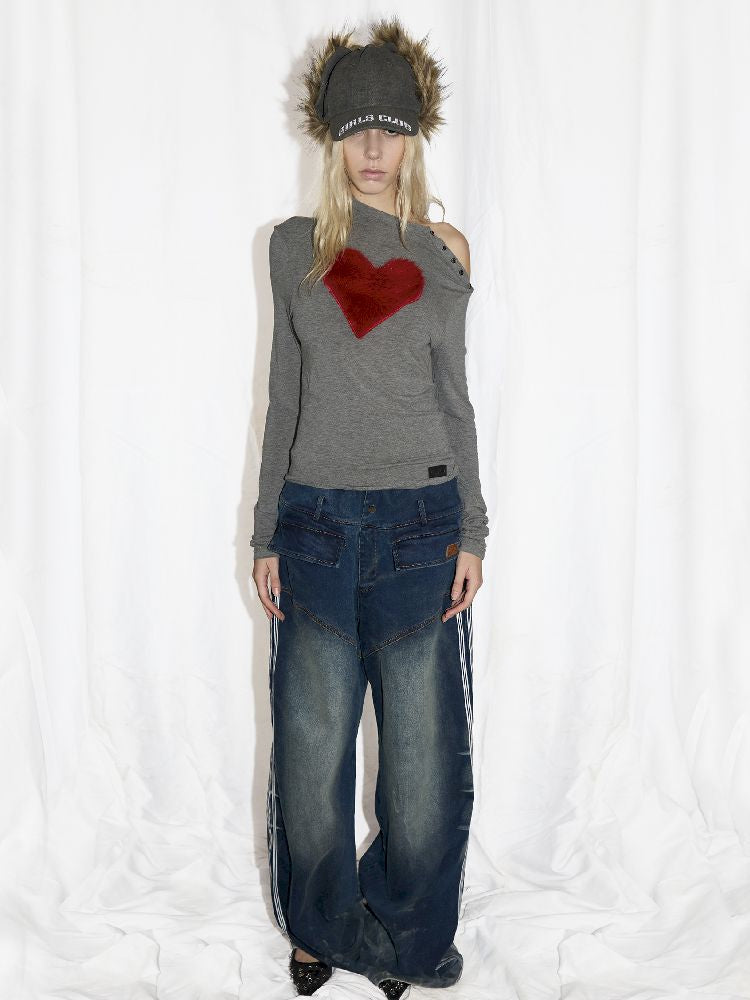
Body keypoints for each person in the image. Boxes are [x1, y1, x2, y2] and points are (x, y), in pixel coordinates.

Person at [250, 16, 489, 998]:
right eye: (358, 131)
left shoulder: (441, 248)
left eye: (392, 130)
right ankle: (320, 927)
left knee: (424, 767)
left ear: (415, 138)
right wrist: (265, 530)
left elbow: (453, 395)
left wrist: (473, 528)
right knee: (312, 756)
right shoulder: (293, 248)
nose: (376, 149)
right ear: (333, 142)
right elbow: (286, 395)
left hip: (422, 526)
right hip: (313, 526)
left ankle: (398, 932)